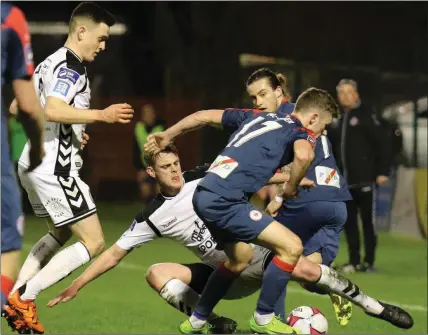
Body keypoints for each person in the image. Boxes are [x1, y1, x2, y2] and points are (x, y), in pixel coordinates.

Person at [47, 146, 413, 333]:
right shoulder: (151, 215)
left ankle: (373, 305)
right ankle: (218, 323)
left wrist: (287, 179)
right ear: (151, 172)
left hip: (253, 256)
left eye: (176, 164)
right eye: (165, 167)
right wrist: (76, 284)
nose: (174, 171)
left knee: (302, 266)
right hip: (223, 275)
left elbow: (250, 175)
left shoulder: (201, 178)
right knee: (156, 272)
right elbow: (113, 254)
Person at [144, 87, 342, 334]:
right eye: (324, 126)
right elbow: (303, 156)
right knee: (288, 251)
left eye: (261, 95)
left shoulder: (250, 124)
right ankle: (259, 317)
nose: (323, 132)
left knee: (274, 256)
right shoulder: (292, 130)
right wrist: (289, 187)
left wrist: (168, 134)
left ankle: (203, 320)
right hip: (227, 236)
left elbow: (202, 117)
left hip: (229, 229)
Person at [2, 3, 134, 334]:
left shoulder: (48, 62)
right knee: (94, 242)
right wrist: (101, 115)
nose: (103, 47)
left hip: (34, 162)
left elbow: (20, 106)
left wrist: (71, 134)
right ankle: (24, 298)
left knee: (60, 231)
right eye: (101, 39)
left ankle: (12, 295)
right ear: (81, 32)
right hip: (54, 170)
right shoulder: (71, 67)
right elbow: (56, 108)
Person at [246, 67, 353, 325]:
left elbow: (300, 160)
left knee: (277, 258)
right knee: (307, 272)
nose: (258, 104)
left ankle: (274, 321)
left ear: (277, 93)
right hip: (336, 203)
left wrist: (280, 197)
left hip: (307, 199)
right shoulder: (308, 112)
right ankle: (334, 287)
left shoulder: (281, 118)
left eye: (261, 96)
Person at [1, 2, 45, 333]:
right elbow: (29, 106)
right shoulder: (9, 17)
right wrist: (40, 147)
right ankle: (9, 302)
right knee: (8, 241)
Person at [328, 79, 390, 273]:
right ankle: (354, 261)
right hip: (344, 182)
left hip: (365, 180)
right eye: (342, 93)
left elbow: (384, 144)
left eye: (349, 92)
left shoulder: (365, 115)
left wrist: (382, 171)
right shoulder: (336, 118)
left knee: (368, 223)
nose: (345, 96)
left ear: (356, 94)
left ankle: (369, 262)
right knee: (349, 223)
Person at [133, 104, 165, 203]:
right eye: (145, 113)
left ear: (154, 114)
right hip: (144, 167)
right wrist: (139, 169)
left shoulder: (161, 127)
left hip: (159, 165)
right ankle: (146, 214)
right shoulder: (138, 128)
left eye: (150, 112)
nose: (148, 115)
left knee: (159, 192)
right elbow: (135, 150)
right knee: (145, 192)